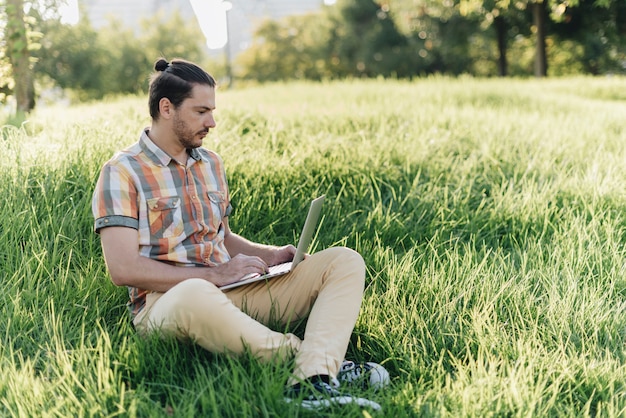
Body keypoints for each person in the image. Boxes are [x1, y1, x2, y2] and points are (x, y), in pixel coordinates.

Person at [91, 58, 388, 410]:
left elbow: (223, 238)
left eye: (212, 111)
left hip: (231, 291)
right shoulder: (121, 172)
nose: (212, 122)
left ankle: (309, 382)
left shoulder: (210, 163)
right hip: (166, 304)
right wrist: (214, 275)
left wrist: (271, 255)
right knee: (195, 292)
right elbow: (122, 269)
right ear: (166, 108)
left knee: (343, 261)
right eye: (201, 111)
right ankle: (318, 366)